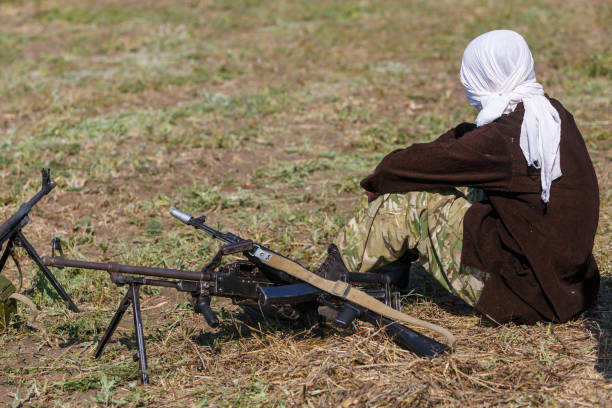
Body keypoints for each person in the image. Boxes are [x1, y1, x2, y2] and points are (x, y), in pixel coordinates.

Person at [317, 30, 600, 324]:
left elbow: (404, 168)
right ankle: (390, 270)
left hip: (528, 294)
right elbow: (467, 143)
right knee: (460, 181)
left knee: (413, 202)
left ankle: (320, 286)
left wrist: (382, 181)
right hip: (568, 286)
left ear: (485, 77)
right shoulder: (550, 115)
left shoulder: (502, 142)